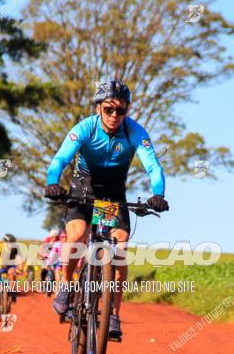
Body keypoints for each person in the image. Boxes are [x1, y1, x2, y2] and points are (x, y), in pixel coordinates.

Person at [44, 80, 169, 339]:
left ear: (127, 111)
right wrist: (52, 182)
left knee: (120, 248)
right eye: (109, 109)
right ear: (98, 108)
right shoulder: (85, 128)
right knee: (77, 236)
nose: (114, 116)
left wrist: (158, 194)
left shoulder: (134, 132)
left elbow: (153, 167)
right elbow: (61, 158)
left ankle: (113, 314)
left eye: (121, 110)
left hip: (113, 192)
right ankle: (66, 288)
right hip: (84, 186)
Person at [0, 233, 24, 321]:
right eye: (9, 243)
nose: (11, 245)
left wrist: (20, 269)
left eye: (13, 243)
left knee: (13, 273)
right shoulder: (0, 247)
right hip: (0, 267)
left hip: (11, 266)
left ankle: (13, 292)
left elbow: (20, 259)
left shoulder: (16, 248)